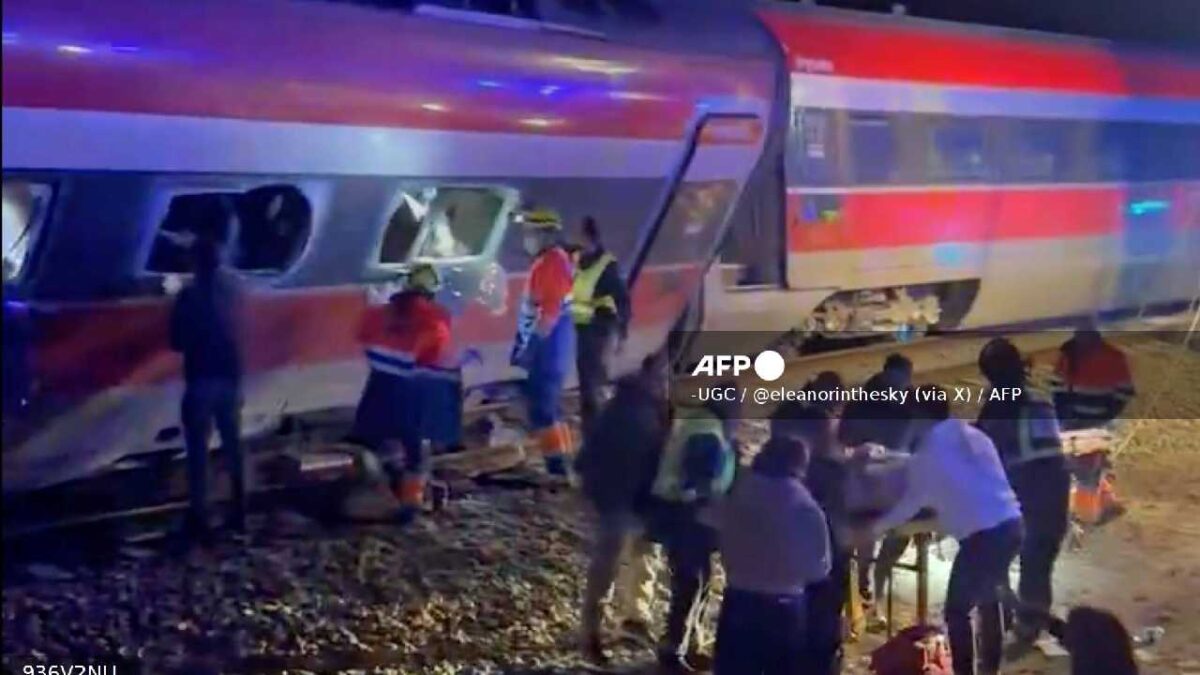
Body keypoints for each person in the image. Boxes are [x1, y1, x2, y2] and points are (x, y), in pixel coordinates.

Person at [862, 387, 1023, 675]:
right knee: (989, 599)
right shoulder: (973, 435)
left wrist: (872, 529)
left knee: (957, 611)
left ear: (919, 416)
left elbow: (909, 504)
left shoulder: (928, 453)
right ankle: (991, 669)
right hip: (1011, 523)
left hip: (983, 537)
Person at [706, 405, 831, 675]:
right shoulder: (806, 507)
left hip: (738, 599)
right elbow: (819, 569)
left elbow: (714, 524)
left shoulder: (739, 492)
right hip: (784, 607)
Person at [575, 353, 669, 665]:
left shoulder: (615, 409)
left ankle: (596, 629)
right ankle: (627, 621)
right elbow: (657, 463)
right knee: (634, 559)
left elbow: (585, 457)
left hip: (614, 500)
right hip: (632, 501)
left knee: (607, 567)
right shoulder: (652, 416)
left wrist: (593, 491)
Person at [976, 337, 1071, 645]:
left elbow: (984, 451)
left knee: (996, 559)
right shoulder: (1039, 399)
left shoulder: (1000, 405)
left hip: (1026, 492)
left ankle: (1010, 621)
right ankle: (1030, 623)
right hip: (1055, 490)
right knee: (1038, 563)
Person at [352, 262, 457, 522]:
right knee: (416, 451)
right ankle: (409, 507)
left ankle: (377, 490)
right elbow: (436, 353)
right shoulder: (436, 317)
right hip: (413, 391)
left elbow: (362, 335)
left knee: (371, 442)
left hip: (379, 387)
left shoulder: (382, 312)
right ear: (433, 291)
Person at [646, 389, 739, 672]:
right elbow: (700, 481)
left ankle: (689, 644)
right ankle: (673, 650)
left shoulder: (701, 423)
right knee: (690, 583)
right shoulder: (707, 433)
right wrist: (716, 511)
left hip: (682, 512)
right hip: (688, 516)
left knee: (700, 580)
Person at [169, 210, 245, 540]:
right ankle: (239, 512)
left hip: (200, 379)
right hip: (231, 377)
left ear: (195, 263)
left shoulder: (189, 295)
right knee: (233, 446)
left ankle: (200, 515)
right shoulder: (235, 289)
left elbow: (176, 341)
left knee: (198, 451)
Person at [840, 355, 916, 623]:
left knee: (881, 531)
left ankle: (870, 581)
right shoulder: (879, 404)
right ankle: (869, 582)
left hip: (876, 486)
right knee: (873, 528)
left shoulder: (902, 404)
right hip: (872, 486)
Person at [510, 208, 576, 478]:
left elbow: (549, 314)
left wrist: (532, 347)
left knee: (543, 408)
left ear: (547, 235)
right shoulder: (550, 261)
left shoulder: (553, 263)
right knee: (550, 407)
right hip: (551, 344)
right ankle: (564, 463)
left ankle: (557, 467)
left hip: (550, 345)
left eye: (531, 233)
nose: (526, 239)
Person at [570, 216, 631, 437]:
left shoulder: (606, 266)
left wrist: (622, 333)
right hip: (581, 329)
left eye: (579, 238)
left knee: (593, 383)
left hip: (598, 329)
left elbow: (622, 299)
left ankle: (602, 428)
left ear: (590, 238)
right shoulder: (578, 261)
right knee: (587, 383)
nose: (576, 242)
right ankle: (593, 428)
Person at [1049, 325, 1135, 430]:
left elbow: (1058, 388)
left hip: (1078, 416)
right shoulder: (1115, 357)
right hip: (1079, 416)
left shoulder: (1070, 355)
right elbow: (1124, 393)